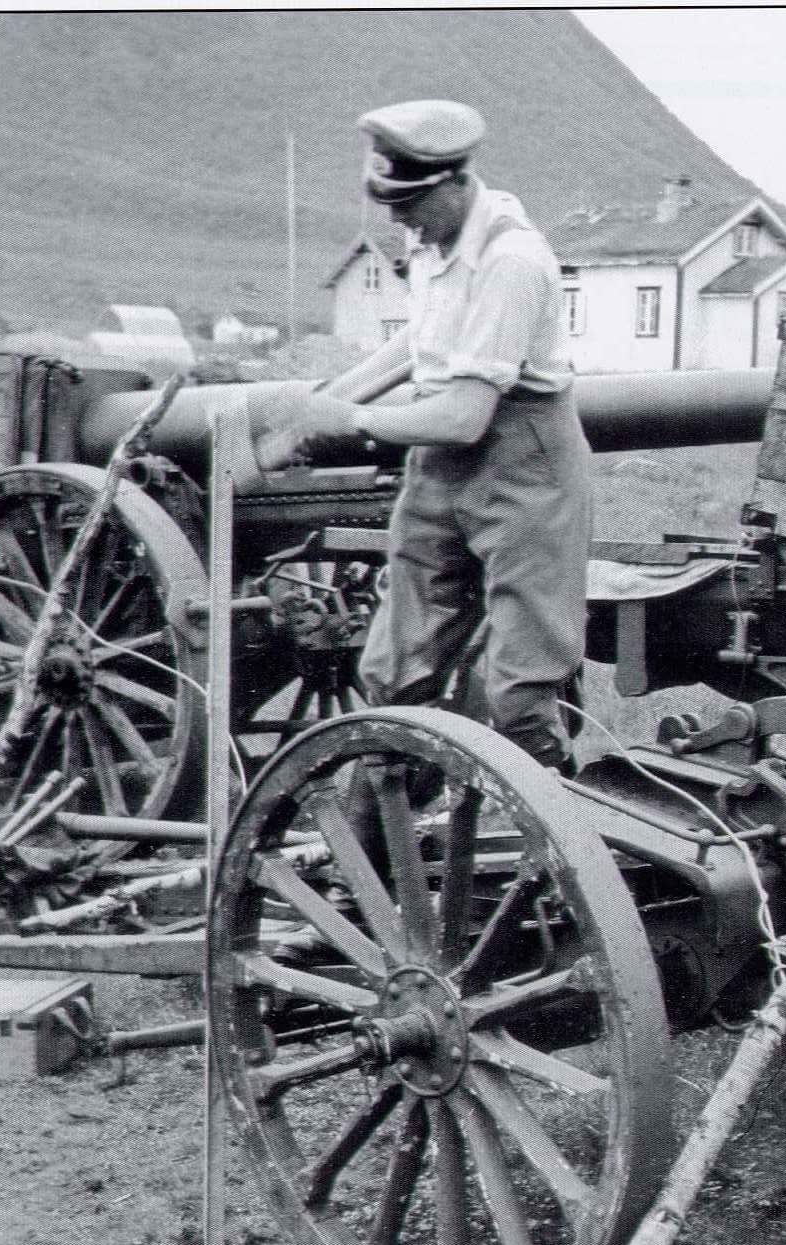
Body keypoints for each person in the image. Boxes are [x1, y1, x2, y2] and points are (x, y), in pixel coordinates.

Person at [257, 99, 592, 774]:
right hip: (440, 465)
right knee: (393, 664)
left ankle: (557, 838)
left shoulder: (511, 261)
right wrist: (324, 403)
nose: (396, 220)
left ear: (454, 183)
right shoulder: (432, 235)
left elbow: (467, 414)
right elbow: (422, 340)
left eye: (408, 203)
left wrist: (350, 423)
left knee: (520, 688)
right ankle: (382, 829)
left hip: (523, 465)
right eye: (388, 202)